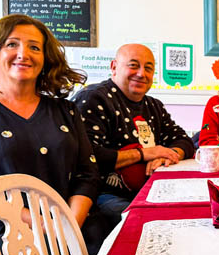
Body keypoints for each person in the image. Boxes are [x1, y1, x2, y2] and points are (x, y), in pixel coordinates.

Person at [0, 14, 106, 255]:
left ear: (45, 59)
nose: (23, 54)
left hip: (76, 236)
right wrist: (40, 223)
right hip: (5, 248)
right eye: (12, 44)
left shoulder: (66, 110)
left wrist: (69, 224)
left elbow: (88, 174)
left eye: (34, 47)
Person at [74, 44, 194, 225]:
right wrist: (144, 153)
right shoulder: (93, 98)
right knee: (152, 223)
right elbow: (87, 157)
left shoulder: (154, 105)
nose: (141, 73)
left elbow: (184, 140)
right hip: (100, 196)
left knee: (189, 213)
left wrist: (169, 155)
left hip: (149, 190)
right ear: (114, 67)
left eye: (148, 68)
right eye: (133, 65)